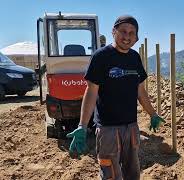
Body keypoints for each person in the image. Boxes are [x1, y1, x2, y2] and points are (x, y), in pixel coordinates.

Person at [66, 15, 165, 180]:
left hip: (131, 127)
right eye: (123, 31)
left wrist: (152, 114)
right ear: (114, 32)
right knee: (110, 174)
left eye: (131, 33)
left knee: (132, 172)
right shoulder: (101, 57)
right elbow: (91, 92)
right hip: (107, 130)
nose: (127, 36)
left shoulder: (134, 58)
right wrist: (82, 126)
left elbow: (140, 91)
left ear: (136, 37)